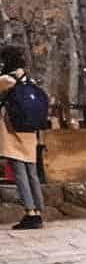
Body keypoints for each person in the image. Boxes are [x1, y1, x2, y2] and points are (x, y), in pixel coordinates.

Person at [0, 45, 46, 230]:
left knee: (19, 173)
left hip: (12, 132)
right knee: (32, 173)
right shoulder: (28, 79)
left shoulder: (6, 79)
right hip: (29, 131)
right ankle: (38, 210)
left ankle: (30, 212)